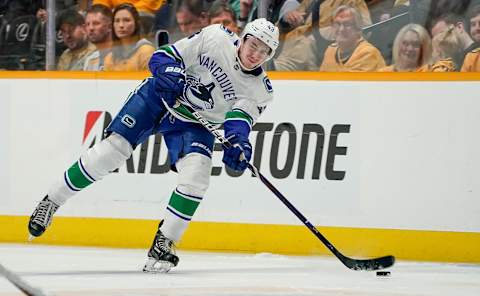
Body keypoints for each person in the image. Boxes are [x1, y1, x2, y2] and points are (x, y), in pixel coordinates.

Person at [27, 18, 279, 273]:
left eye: (264, 51)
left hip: (194, 124)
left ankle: (164, 242)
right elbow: (163, 57)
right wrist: (170, 74)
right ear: (244, 37)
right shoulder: (216, 37)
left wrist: (239, 145)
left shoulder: (260, 90)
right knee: (112, 151)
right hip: (157, 98)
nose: (255, 54)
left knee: (197, 177)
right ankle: (52, 201)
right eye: (253, 44)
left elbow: (239, 123)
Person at [320, 5, 385, 72]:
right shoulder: (330, 51)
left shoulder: (368, 53)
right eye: (338, 24)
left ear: (358, 29)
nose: (341, 29)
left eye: (347, 24)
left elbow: (348, 82)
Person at [103, 3, 155, 71]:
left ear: (136, 24)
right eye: (117, 21)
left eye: (127, 20)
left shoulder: (146, 51)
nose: (121, 25)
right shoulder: (109, 58)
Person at [83, 4, 113, 71]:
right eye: (88, 24)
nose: (91, 28)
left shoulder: (123, 56)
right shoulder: (90, 60)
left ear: (110, 27)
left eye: (96, 23)